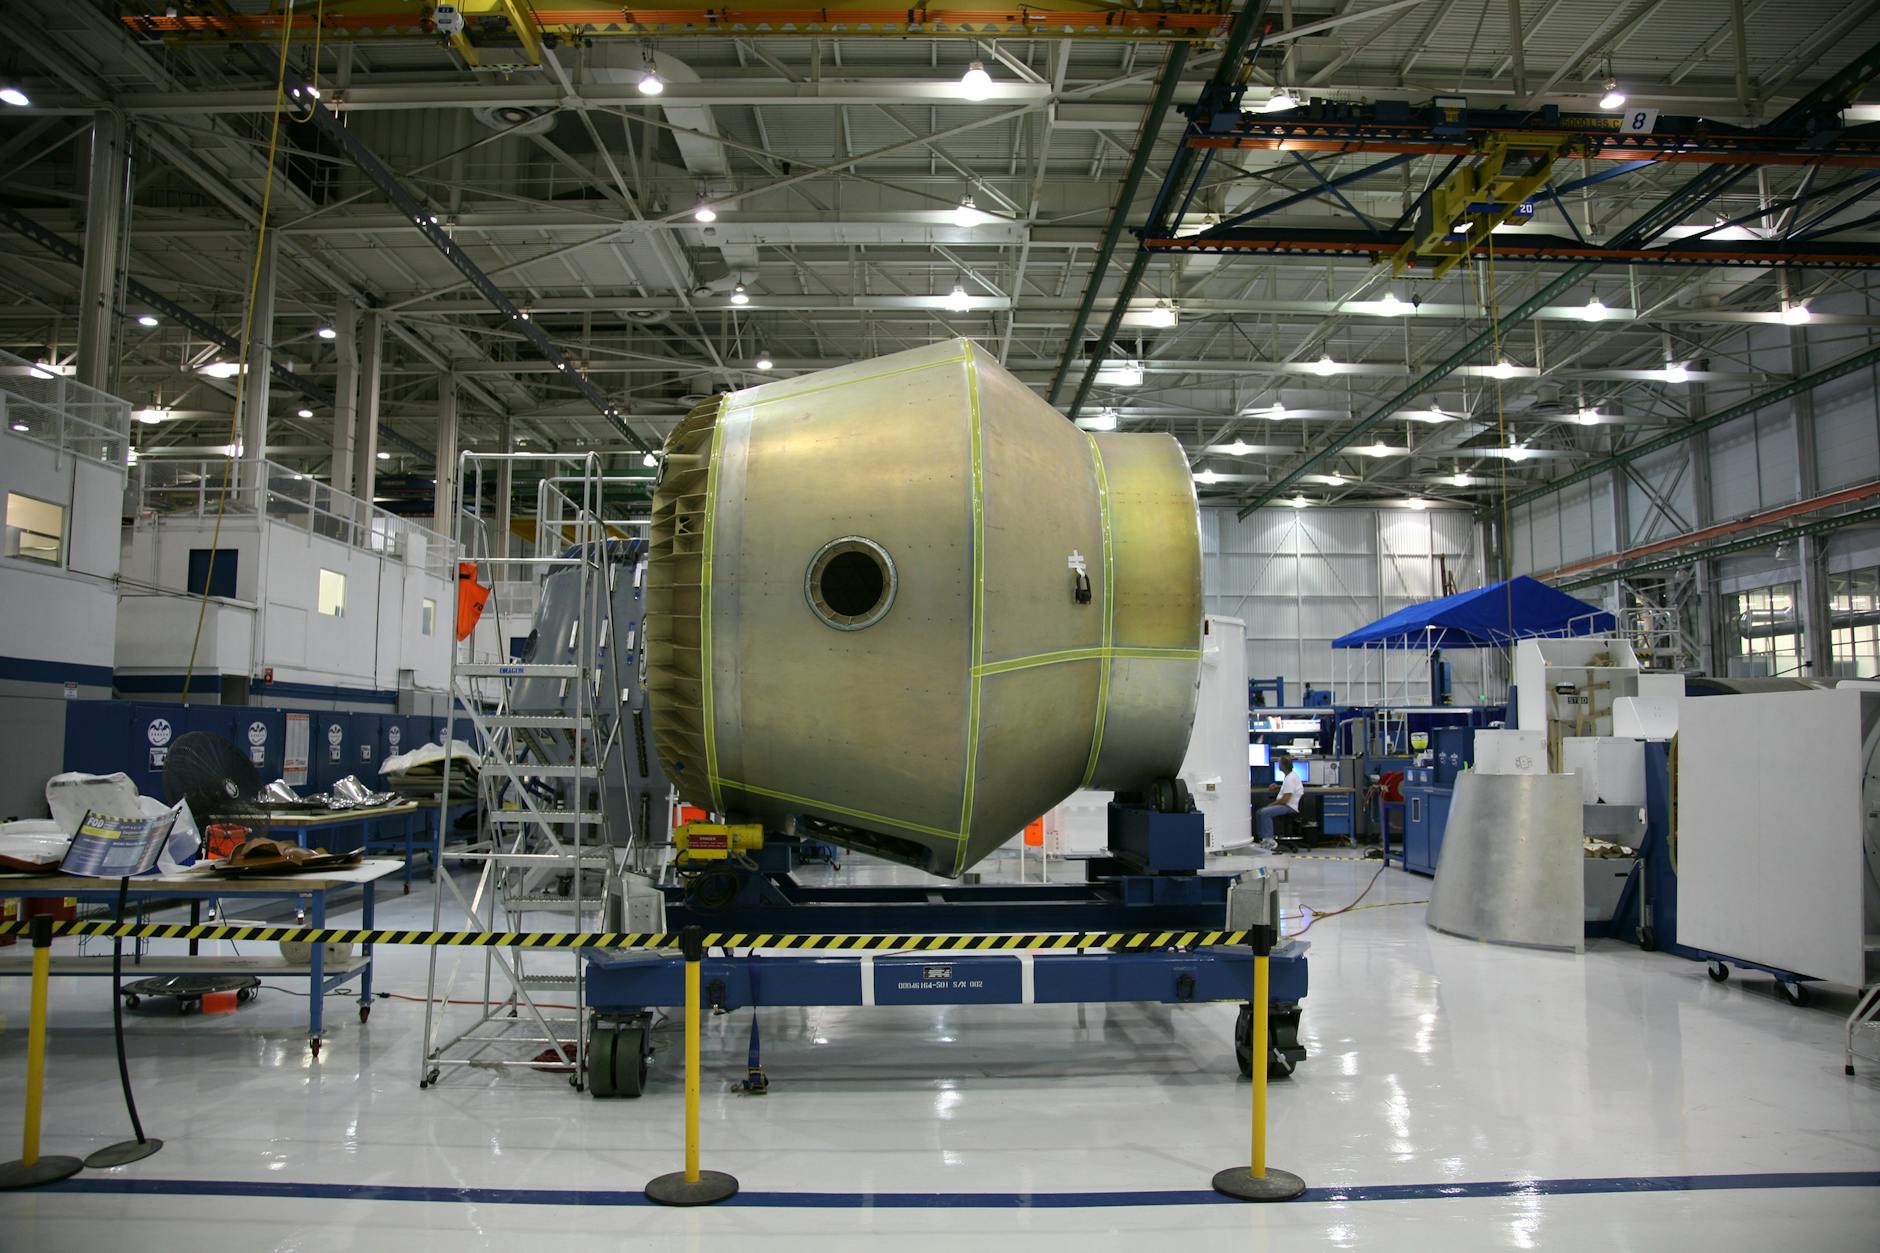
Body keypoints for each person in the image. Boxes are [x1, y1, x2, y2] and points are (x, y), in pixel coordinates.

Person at [1256, 753, 1305, 850]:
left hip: (1289, 807)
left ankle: (1270, 841)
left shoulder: (1290, 778)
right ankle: (1263, 839)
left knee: (1264, 812)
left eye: (1279, 763)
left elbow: (1285, 799)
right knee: (1259, 812)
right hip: (1287, 804)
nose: (1278, 765)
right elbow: (1287, 790)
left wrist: (1271, 805)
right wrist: (1278, 786)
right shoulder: (1290, 776)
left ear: (1283, 765)